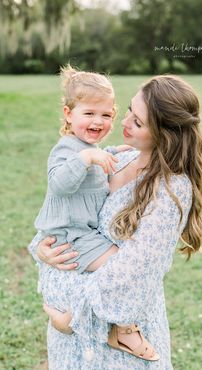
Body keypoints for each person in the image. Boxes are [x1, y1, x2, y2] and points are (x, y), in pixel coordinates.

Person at [29, 74, 202, 370]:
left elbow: (133, 276)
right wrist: (43, 250)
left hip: (116, 349)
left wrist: (74, 317)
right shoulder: (122, 158)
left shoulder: (170, 190)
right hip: (70, 343)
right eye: (128, 110)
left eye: (138, 123)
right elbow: (64, 212)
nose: (123, 123)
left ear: (165, 134)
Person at [32, 64, 159, 363]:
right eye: (88, 113)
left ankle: (109, 322)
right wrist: (86, 157)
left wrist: (109, 153)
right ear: (68, 114)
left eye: (105, 114)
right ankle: (123, 329)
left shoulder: (93, 148)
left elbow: (100, 166)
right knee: (121, 266)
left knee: (120, 265)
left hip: (85, 233)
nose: (97, 121)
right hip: (72, 236)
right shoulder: (66, 150)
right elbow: (59, 184)